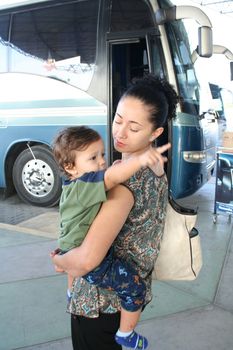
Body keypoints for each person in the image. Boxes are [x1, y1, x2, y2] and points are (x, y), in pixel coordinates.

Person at [51, 75, 179, 350]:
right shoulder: (154, 168)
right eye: (118, 120)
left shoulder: (123, 185)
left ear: (156, 133)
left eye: (133, 127)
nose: (120, 133)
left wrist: (62, 263)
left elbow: (86, 261)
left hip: (98, 306)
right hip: (121, 301)